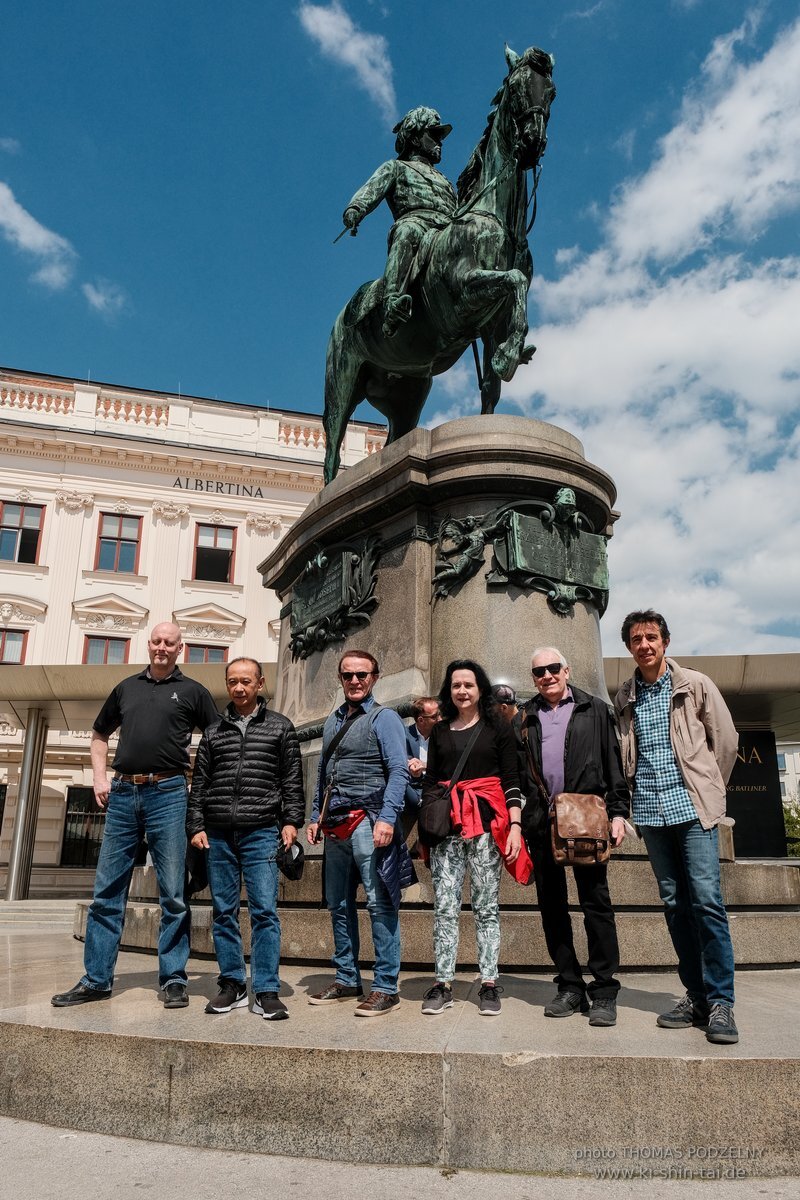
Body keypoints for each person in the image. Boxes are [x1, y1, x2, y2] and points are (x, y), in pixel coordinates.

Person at [52, 622, 218, 1009]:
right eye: (157, 641)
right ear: (149, 644)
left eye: (170, 643)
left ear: (181, 649)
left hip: (170, 794)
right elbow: (98, 735)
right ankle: (96, 979)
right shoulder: (126, 687)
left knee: (174, 895)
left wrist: (202, 795)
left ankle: (174, 979)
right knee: (107, 893)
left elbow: (217, 742)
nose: (162, 647)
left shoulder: (193, 692)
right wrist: (98, 777)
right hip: (123, 793)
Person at [615, 610, 740, 1045]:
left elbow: (725, 740)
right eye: (636, 639)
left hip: (691, 810)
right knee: (673, 903)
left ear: (665, 642)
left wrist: (709, 790)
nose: (645, 644)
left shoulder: (695, 684)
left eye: (651, 637)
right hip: (649, 813)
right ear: (629, 647)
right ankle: (697, 995)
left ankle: (721, 1000)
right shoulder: (625, 696)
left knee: (706, 901)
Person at [515, 648, 629, 1026]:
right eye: (538, 671)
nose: (546, 675)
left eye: (552, 668)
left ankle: (604, 990)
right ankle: (569, 985)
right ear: (533, 677)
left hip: (585, 819)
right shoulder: (524, 716)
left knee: (596, 905)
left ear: (567, 669)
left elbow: (612, 761)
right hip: (541, 823)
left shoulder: (593, 708)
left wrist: (618, 813)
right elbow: (516, 774)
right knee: (552, 908)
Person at [186, 657, 304, 1020]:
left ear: (260, 683)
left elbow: (292, 781)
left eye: (246, 681)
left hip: (262, 831)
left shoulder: (280, 727)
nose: (239, 688)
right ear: (227, 684)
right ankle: (233, 984)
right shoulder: (213, 732)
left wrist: (291, 821)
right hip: (218, 834)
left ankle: (266, 990)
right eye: (233, 681)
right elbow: (199, 784)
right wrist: (196, 826)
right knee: (223, 912)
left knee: (264, 912)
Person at [306, 649, 409, 1016]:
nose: (354, 681)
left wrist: (386, 818)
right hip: (335, 824)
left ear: (374, 678)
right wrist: (316, 814)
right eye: (348, 675)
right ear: (340, 678)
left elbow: (399, 771)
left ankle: (385, 987)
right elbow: (323, 773)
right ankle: (348, 978)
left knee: (379, 903)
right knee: (339, 904)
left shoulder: (386, 718)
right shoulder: (333, 720)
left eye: (361, 675)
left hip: (369, 819)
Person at [420, 660, 525, 1017]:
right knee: (445, 907)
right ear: (448, 692)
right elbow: (432, 780)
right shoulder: (439, 731)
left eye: (468, 684)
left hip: (486, 828)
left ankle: (489, 983)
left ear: (481, 688)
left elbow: (511, 780)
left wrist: (515, 826)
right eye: (455, 686)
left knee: (486, 908)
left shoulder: (499, 728)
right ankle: (443, 982)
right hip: (447, 829)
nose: (462, 691)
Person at [342, 106, 456, 337]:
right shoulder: (396, 167)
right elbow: (370, 191)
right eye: (433, 135)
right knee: (407, 232)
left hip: (446, 228)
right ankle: (392, 303)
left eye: (440, 136)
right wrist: (355, 209)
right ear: (414, 138)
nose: (439, 141)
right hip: (416, 222)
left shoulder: (445, 180)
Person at [403, 695, 441, 837]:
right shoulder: (404, 734)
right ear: (421, 720)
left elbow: (447, 761)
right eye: (435, 716)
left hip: (434, 785)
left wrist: (424, 766)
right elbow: (399, 760)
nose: (440, 718)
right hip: (412, 786)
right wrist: (411, 767)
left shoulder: (443, 734)